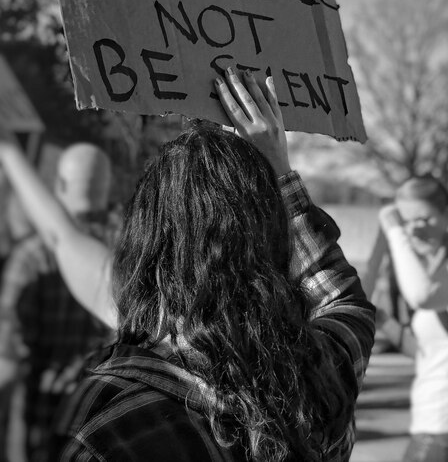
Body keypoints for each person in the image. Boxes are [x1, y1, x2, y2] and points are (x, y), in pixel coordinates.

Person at [1, 69, 375, 461]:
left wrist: (9, 148)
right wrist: (277, 167)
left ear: (146, 243)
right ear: (274, 237)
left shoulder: (108, 422)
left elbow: (62, 238)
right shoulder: (321, 374)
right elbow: (343, 300)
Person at [0, 143, 115, 462]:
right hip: (106, 428)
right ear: (106, 187)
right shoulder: (129, 254)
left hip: (44, 428)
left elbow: (6, 365)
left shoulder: (32, 258)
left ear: (60, 185)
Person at [379, 175, 448, 462]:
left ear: (447, 215)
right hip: (432, 424)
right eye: (407, 220)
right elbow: (424, 353)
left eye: (424, 218)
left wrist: (395, 231)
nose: (414, 229)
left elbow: (422, 295)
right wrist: (382, 321)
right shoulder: (434, 274)